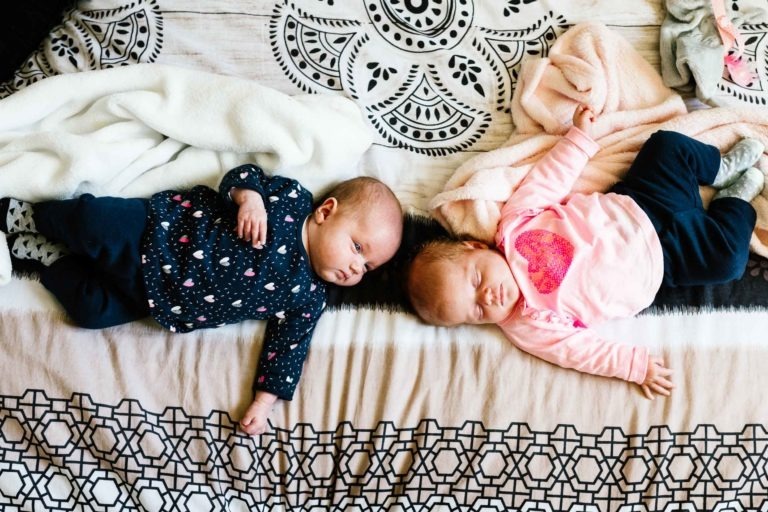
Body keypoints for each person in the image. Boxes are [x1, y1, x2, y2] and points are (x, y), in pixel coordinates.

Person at [0, 164, 404, 434]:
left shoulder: (309, 297)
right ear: (326, 211)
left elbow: (288, 348)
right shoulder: (291, 201)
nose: (356, 269)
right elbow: (242, 175)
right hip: (158, 233)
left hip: (157, 300)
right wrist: (251, 198)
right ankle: (32, 217)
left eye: (366, 267)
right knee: (92, 222)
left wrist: (265, 402)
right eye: (357, 247)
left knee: (91, 310)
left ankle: (47, 257)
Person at [407, 104, 764, 400]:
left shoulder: (514, 226)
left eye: (476, 279)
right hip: (666, 261)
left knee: (664, 145)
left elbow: (547, 180)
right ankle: (734, 199)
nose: (487, 296)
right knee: (728, 260)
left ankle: (719, 168)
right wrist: (632, 366)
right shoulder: (526, 324)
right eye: (475, 311)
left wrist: (577, 140)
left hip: (641, 201)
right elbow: (578, 352)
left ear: (474, 246)